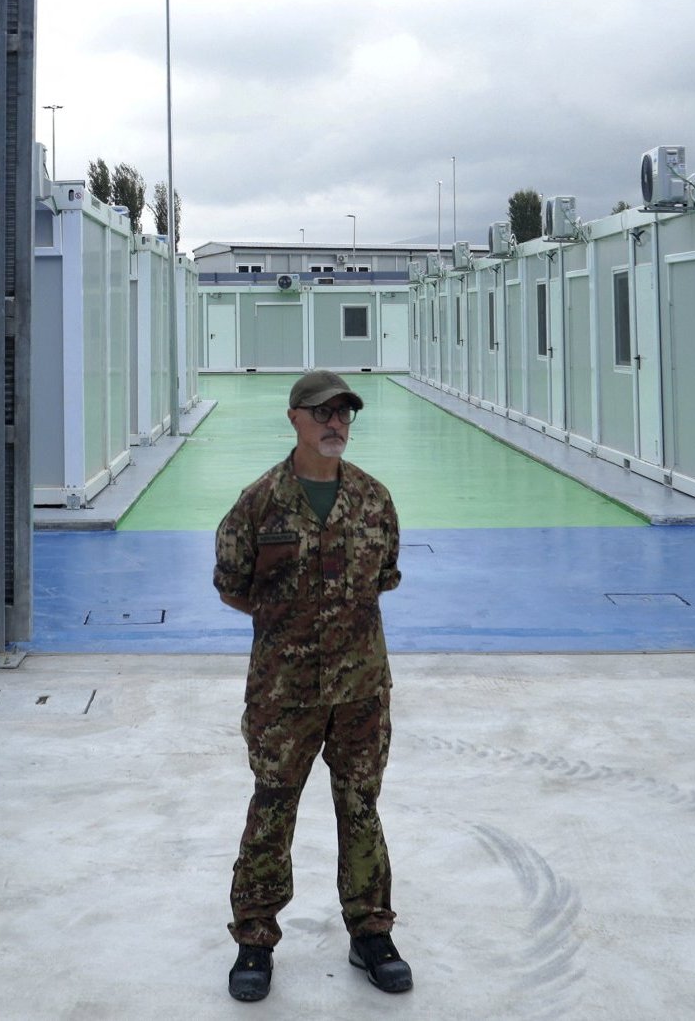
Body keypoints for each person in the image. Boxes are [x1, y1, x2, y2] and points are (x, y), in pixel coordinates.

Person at [213, 369, 411, 1003]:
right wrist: (291, 630)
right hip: (283, 692)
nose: (336, 424)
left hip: (359, 689)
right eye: (324, 413)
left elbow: (384, 576)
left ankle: (371, 933)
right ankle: (254, 940)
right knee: (272, 807)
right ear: (295, 417)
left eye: (345, 415)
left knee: (361, 808)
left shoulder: (374, 499)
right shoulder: (259, 502)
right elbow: (232, 584)